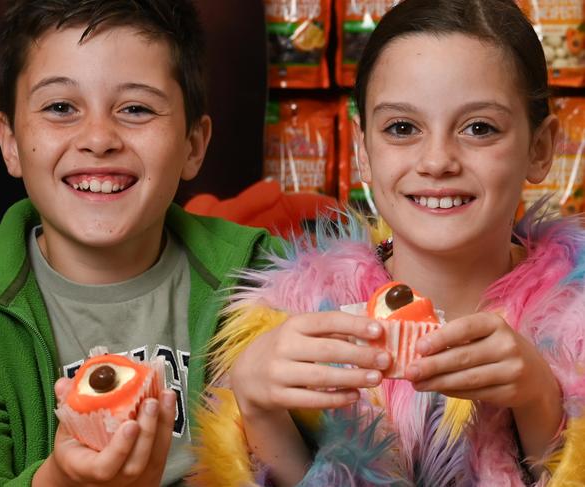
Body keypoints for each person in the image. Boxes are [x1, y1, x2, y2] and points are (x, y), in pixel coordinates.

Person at [188, 0, 585, 485]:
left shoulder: (575, 329)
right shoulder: (298, 321)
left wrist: (538, 398)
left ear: (540, 150)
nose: (437, 160)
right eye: (402, 128)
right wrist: (258, 406)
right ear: (363, 153)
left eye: (479, 128)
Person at [0, 1, 280, 485]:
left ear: (193, 145)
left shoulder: (265, 276)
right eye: (60, 108)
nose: (98, 138)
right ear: (10, 142)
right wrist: (61, 479)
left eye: (136, 108)